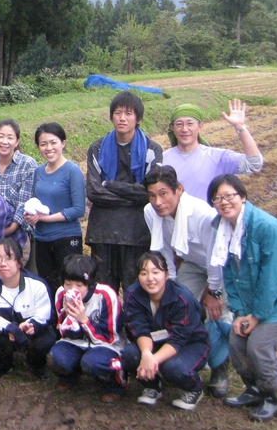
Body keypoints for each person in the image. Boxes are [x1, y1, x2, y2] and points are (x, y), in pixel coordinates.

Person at [142, 165, 231, 397]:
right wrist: (168, 284)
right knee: (180, 305)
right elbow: (163, 249)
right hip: (192, 263)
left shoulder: (202, 215)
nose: (158, 201)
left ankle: (221, 367)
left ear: (179, 189)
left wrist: (214, 292)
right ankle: (187, 357)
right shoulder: (150, 212)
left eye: (163, 194)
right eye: (152, 195)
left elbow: (216, 255)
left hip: (222, 264)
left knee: (217, 313)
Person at [208, 174, 277, 421]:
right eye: (217, 198)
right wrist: (240, 312)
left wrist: (257, 316)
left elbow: (272, 279)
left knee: (259, 345)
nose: (224, 202)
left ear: (242, 196)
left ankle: (271, 396)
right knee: (237, 340)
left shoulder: (267, 227)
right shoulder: (224, 229)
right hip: (250, 305)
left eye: (229, 195)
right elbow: (229, 274)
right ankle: (253, 389)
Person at [85, 91, 163, 294]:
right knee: (103, 292)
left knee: (135, 290)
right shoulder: (97, 148)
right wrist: (134, 195)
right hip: (103, 232)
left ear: (138, 118)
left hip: (137, 231)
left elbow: (149, 192)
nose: (122, 118)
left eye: (128, 113)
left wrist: (110, 185)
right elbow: (93, 192)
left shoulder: (152, 149)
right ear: (111, 116)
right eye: (118, 113)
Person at [121, 251, 209, 411]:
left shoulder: (182, 298)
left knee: (173, 367)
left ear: (166, 275)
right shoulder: (133, 294)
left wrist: (152, 360)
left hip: (189, 343)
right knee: (129, 355)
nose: (150, 278)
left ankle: (194, 388)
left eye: (156, 272)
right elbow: (139, 329)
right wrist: (146, 354)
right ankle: (153, 385)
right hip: (154, 341)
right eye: (144, 273)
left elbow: (179, 338)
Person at [47, 254, 125, 401]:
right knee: (56, 357)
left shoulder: (105, 295)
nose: (72, 289)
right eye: (68, 283)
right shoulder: (61, 293)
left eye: (79, 285)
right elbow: (63, 333)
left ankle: (115, 384)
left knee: (92, 362)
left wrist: (84, 320)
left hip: (106, 345)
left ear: (90, 284)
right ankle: (70, 377)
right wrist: (67, 316)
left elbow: (109, 337)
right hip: (76, 342)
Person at [0, 238, 56, 381]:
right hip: (4, 331)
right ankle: (3, 364)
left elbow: (44, 314)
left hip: (30, 330)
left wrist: (32, 325)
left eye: (9, 258)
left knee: (47, 337)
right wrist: (9, 328)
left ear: (20, 262)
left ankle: (36, 363)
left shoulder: (37, 285)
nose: (2, 264)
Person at [25, 122, 85, 297]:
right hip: (42, 239)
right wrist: (31, 216)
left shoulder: (72, 170)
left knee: (69, 287)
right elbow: (36, 203)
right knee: (47, 288)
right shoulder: (38, 171)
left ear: (63, 143)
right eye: (43, 144)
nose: (49, 148)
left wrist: (44, 218)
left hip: (66, 238)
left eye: (53, 142)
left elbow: (78, 209)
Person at [162, 100, 263, 202]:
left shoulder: (217, 157)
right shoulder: (162, 159)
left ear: (200, 126)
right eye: (179, 124)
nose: (184, 129)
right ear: (172, 128)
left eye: (190, 123)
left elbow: (254, 164)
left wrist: (240, 126)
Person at [0, 119, 35, 262]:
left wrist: (11, 228)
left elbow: (25, 201)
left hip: (19, 235)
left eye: (10, 137)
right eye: (0, 136)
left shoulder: (27, 164)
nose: (4, 141)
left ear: (17, 141)